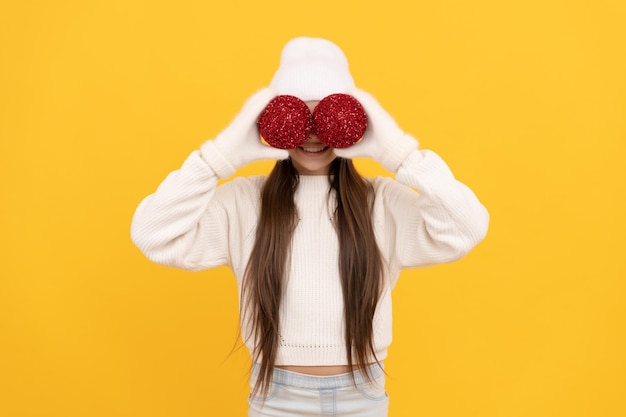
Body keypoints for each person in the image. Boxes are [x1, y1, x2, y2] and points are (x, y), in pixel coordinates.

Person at [131, 37, 489, 417]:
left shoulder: (381, 202)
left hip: (362, 398)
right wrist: (218, 158)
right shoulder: (244, 203)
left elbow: (466, 228)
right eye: (298, 118)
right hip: (277, 399)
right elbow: (152, 234)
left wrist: (399, 153)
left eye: (330, 118)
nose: (313, 133)